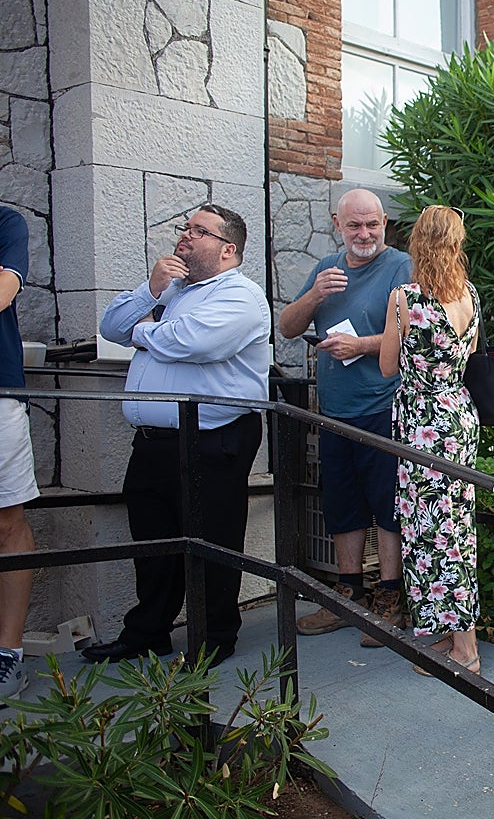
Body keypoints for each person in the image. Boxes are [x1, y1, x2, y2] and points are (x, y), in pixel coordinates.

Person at [83, 204, 270, 667]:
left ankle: (214, 637)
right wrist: (150, 291)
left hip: (212, 437)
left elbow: (193, 342)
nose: (185, 235)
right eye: (185, 227)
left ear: (227, 249)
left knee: (211, 541)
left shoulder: (242, 295)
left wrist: (144, 331)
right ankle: (148, 633)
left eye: (199, 231)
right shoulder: (170, 290)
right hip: (153, 440)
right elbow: (111, 328)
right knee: (152, 542)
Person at [279, 189, 412, 646]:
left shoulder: (401, 267)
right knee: (341, 506)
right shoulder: (326, 268)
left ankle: (390, 600)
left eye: (372, 224)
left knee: (388, 506)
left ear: (384, 223)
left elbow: (418, 333)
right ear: (337, 225)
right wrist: (315, 295)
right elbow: (288, 327)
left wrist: (362, 346)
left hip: (384, 408)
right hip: (334, 413)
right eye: (354, 225)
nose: (365, 234)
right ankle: (348, 596)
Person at [379, 205, 481, 673]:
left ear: (417, 243)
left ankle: (465, 649)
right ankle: (447, 634)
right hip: (458, 415)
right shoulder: (469, 294)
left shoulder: (404, 298)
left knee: (431, 531)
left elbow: (387, 366)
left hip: (423, 420)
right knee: (454, 528)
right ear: (457, 243)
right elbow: (470, 353)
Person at [0, 206, 38, 704]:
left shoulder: (6, 222)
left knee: (8, 520)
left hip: (1, 393)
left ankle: (8, 652)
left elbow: (3, 292)